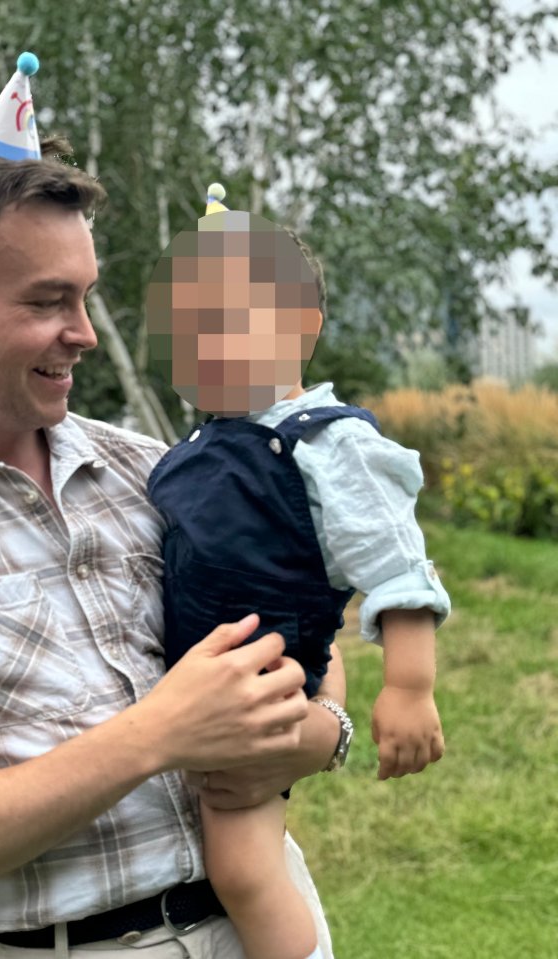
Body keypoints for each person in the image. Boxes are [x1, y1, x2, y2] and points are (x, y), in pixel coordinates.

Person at [0, 66, 346, 959]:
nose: (82, 330)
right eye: (45, 301)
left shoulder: (153, 471)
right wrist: (155, 735)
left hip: (272, 917)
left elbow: (312, 636)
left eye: (86, 293)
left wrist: (320, 731)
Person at [145, 185, 451, 959]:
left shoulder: (328, 444)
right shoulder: (202, 444)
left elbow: (397, 565)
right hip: (201, 682)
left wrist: (410, 686)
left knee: (243, 867)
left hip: (262, 688)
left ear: (299, 328)